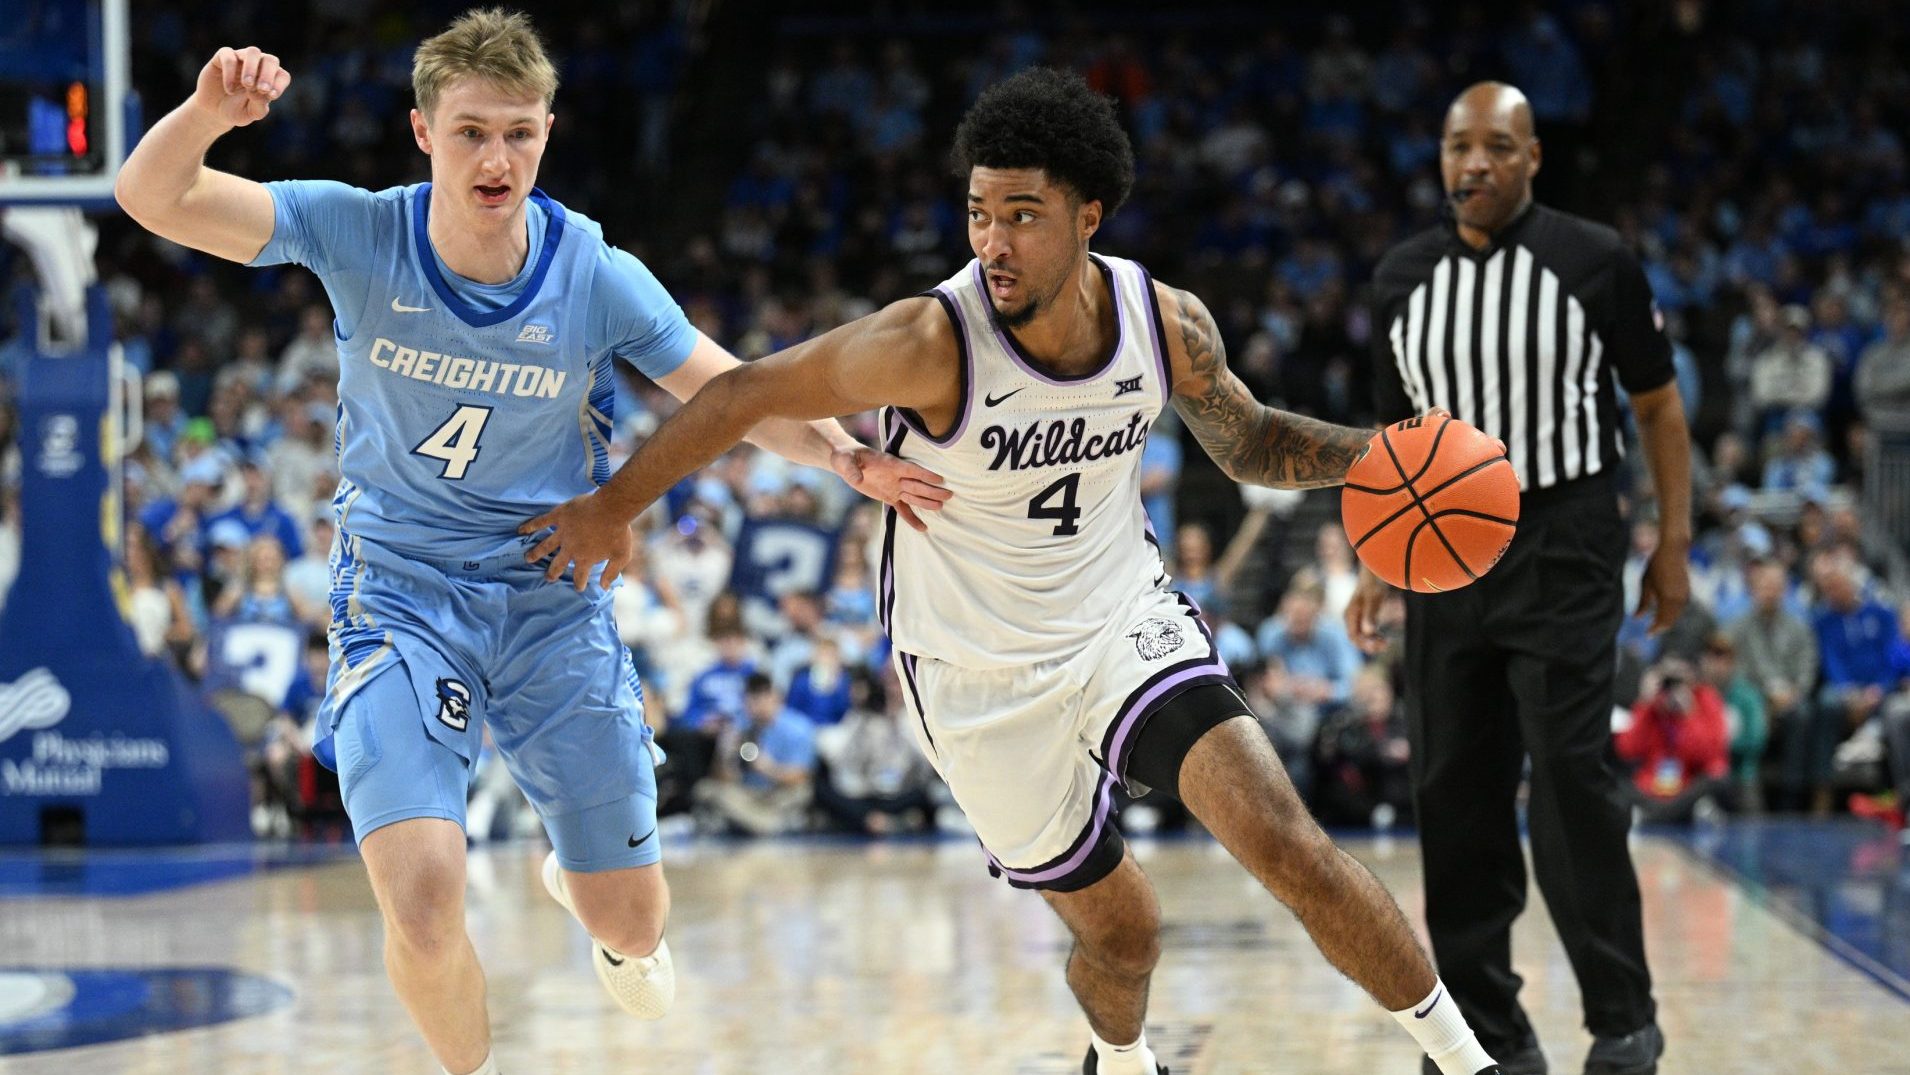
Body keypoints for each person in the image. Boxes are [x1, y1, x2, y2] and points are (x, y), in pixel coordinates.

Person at [522, 68, 1502, 1075]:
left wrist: (1379, 451)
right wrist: (609, 507)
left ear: (1089, 216)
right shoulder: (927, 341)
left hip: (1119, 620)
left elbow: (1247, 443)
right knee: (1124, 935)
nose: (991, 241)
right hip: (974, 672)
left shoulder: (1162, 322)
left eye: (1021, 215)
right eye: (977, 213)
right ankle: (1118, 1064)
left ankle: (1468, 1063)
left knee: (1287, 842)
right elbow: (738, 394)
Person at [112, 12, 939, 1075]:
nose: (494, 158)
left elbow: (727, 392)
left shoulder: (592, 274)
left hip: (553, 597)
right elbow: (148, 196)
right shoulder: (361, 232)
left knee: (633, 926)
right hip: (402, 595)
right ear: (422, 132)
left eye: (516, 133)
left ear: (547, 129)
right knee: (420, 895)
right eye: (469, 134)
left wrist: (843, 459)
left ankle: (579, 876)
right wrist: (205, 114)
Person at [1350, 83, 1689, 1075]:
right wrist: (1377, 561)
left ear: (1531, 157)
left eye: (1497, 146)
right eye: (1459, 145)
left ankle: (1621, 1016)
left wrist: (1669, 542)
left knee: (1570, 784)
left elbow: (1658, 411)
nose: (1475, 164)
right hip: (1438, 551)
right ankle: (1482, 1033)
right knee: (1451, 786)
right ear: (1441, 155)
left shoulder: (1594, 262)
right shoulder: (1399, 279)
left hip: (1564, 535)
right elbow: (1390, 439)